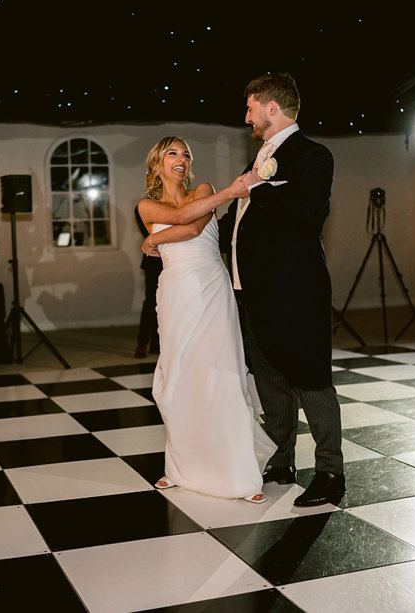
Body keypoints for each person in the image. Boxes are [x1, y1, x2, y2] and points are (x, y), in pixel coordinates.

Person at [145, 73, 345, 507]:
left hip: (294, 290)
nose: (247, 116)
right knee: (269, 379)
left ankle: (331, 471)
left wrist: (259, 188)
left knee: (310, 378)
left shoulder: (313, 155)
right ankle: (280, 459)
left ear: (271, 109)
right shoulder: (253, 165)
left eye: (251, 108)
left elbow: (309, 213)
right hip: (247, 290)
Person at [137, 136, 274, 504]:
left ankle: (240, 474)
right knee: (179, 377)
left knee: (222, 374)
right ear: (156, 163)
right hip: (175, 294)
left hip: (212, 289)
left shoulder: (204, 189)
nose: (181, 159)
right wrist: (233, 192)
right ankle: (179, 469)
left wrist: (154, 241)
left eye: (185, 154)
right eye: (172, 153)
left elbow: (195, 227)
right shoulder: (146, 205)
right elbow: (183, 218)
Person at [134, 205, 161, 358]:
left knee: (167, 302)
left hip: (171, 259)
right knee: (151, 301)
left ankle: (157, 343)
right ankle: (143, 342)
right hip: (153, 261)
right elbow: (148, 232)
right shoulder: (143, 206)